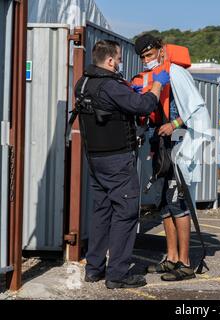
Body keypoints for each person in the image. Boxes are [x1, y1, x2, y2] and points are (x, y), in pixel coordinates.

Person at [71, 40, 170, 289]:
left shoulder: (82, 83)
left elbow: (112, 106)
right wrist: (157, 82)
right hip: (117, 159)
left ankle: (94, 269)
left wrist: (128, 94)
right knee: (125, 214)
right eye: (119, 59)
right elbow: (145, 105)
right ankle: (117, 274)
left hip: (95, 160)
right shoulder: (111, 86)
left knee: (101, 213)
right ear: (111, 61)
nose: (121, 64)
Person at [131, 34, 212, 282]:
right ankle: (171, 257)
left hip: (180, 145)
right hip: (161, 147)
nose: (147, 61)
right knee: (164, 205)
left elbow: (198, 109)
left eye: (150, 55)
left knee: (179, 203)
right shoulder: (154, 77)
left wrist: (175, 123)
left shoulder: (176, 73)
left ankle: (185, 263)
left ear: (161, 50)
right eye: (143, 58)